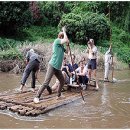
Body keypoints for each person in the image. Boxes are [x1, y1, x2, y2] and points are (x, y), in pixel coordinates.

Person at [33, 26, 69, 103]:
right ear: (59, 37)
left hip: (58, 68)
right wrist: (64, 30)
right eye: (61, 36)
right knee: (46, 82)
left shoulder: (62, 46)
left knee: (62, 81)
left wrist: (68, 45)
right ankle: (37, 96)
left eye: (62, 36)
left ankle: (59, 94)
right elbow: (65, 39)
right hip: (52, 65)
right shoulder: (56, 41)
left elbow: (67, 52)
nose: (62, 37)